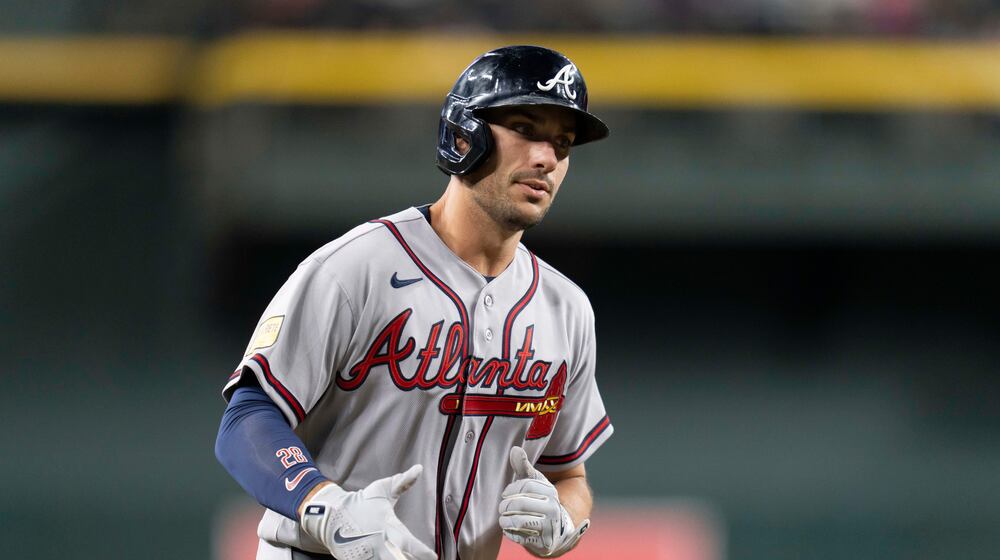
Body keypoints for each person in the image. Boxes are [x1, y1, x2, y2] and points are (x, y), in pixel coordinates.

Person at [215, 45, 614, 560]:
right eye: (524, 128)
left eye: (562, 143)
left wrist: (564, 519)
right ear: (464, 134)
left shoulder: (567, 310)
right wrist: (327, 507)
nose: (547, 158)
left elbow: (570, 474)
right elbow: (247, 418)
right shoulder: (356, 268)